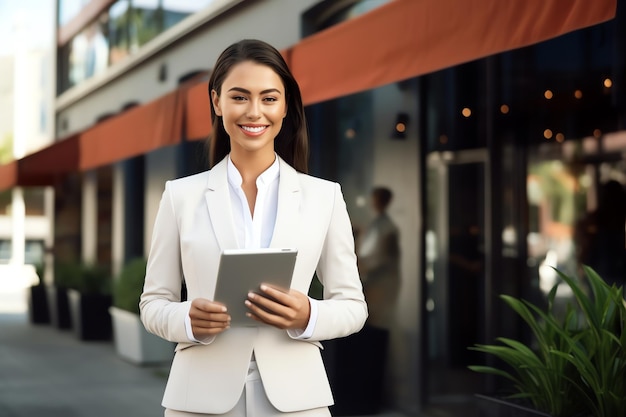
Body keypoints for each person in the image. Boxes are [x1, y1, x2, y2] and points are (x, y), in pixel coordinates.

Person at [140, 39, 368, 417]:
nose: (254, 112)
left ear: (284, 107)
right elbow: (152, 303)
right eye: (240, 97)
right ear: (217, 102)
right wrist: (187, 320)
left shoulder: (324, 197)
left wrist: (307, 315)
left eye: (269, 98)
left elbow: (353, 306)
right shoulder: (181, 196)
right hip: (198, 399)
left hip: (297, 400)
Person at [356, 187, 400, 329]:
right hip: (372, 280)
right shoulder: (376, 224)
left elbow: (385, 259)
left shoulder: (387, 227)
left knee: (378, 323)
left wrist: (365, 269)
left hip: (380, 282)